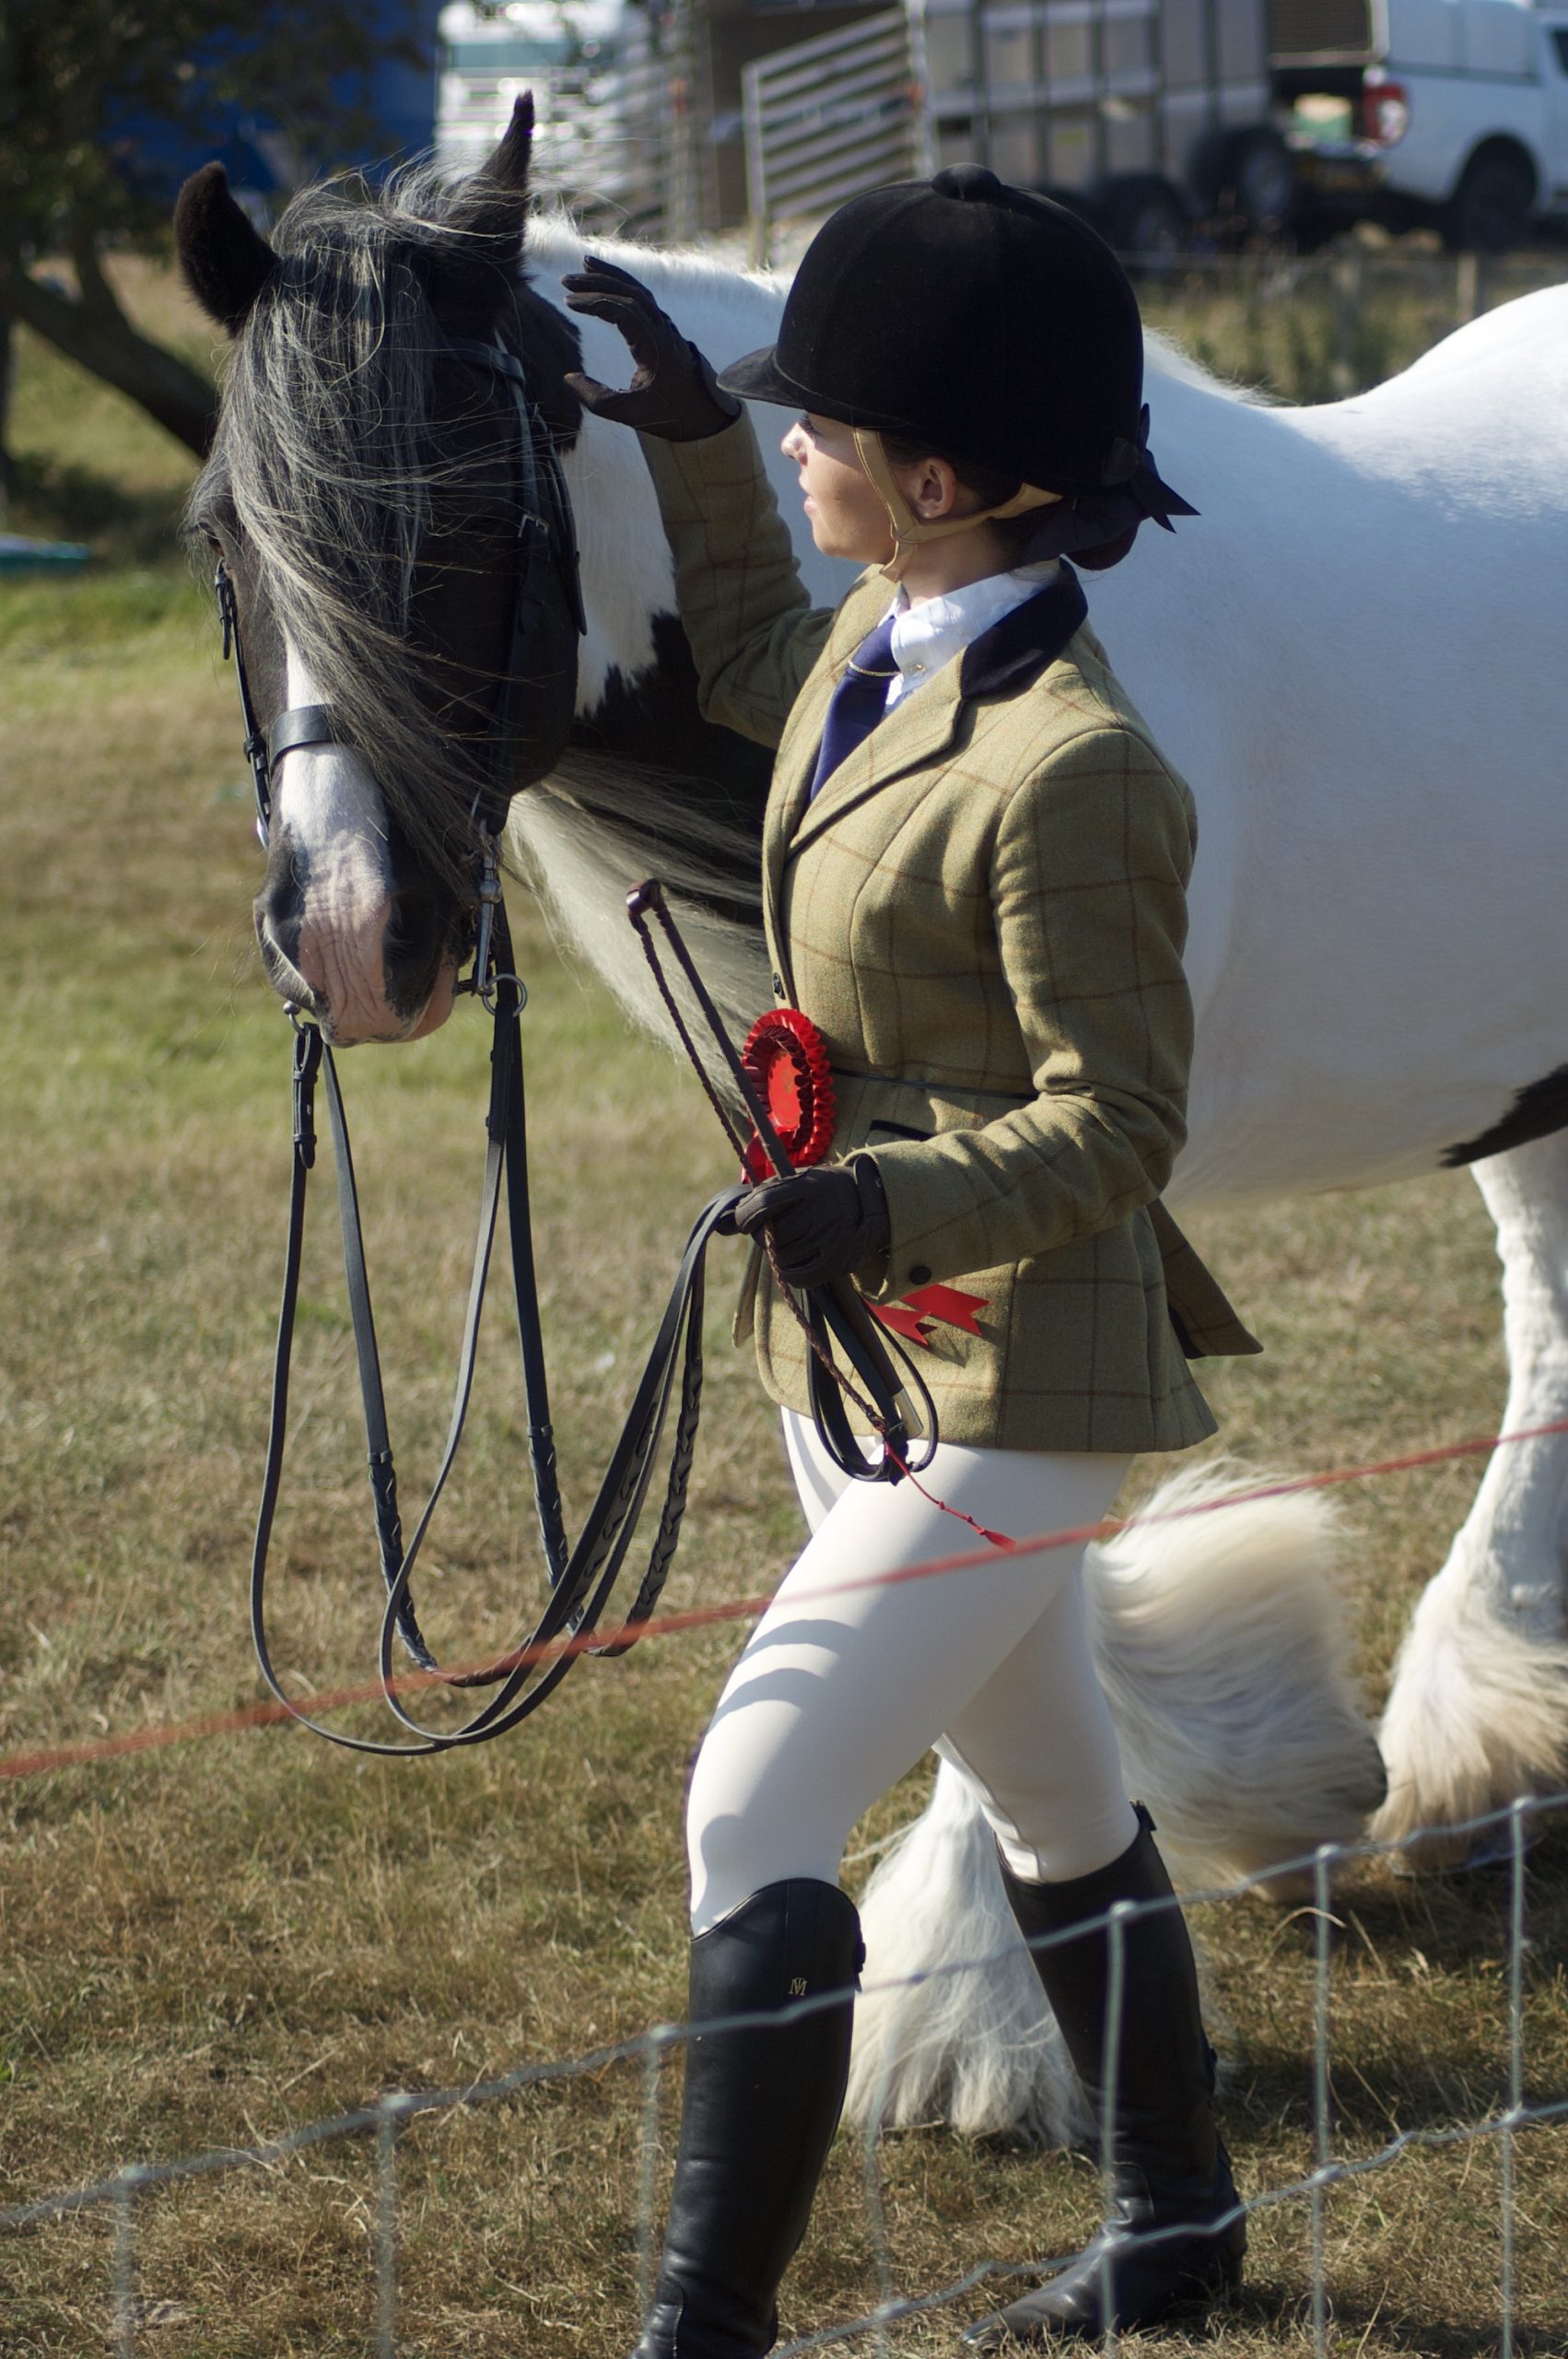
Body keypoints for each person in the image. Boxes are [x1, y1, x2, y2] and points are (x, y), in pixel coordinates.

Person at [561, 167, 1261, 2354]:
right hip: (861, 1342)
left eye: (813, 424)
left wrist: (890, 1203)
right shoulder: (888, 636)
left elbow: (1120, 1122)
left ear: (937, 478)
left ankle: (706, 2327)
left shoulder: (1078, 772)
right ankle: (1178, 2224)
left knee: (754, 1796)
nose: (795, 437)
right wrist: (686, 446)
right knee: (1047, 1785)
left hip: (1011, 1375)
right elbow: (767, 666)